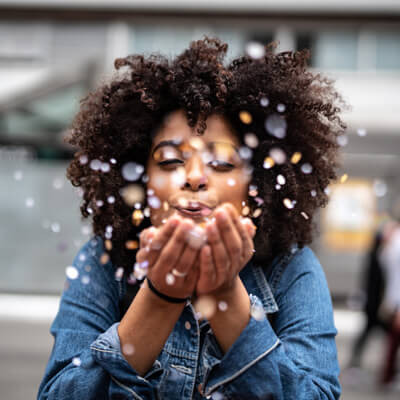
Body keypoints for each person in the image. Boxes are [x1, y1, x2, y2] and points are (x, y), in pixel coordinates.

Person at [38, 37, 345, 399]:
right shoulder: (101, 263)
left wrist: (225, 296)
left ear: (255, 187)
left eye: (221, 163)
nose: (195, 176)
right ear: (139, 179)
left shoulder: (292, 269)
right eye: (169, 161)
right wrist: (159, 296)